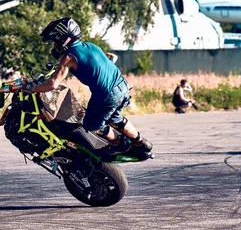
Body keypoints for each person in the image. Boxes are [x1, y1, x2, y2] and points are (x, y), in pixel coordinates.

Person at [30, 17, 153, 159]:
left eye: (55, 41)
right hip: (122, 86)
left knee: (91, 125)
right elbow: (104, 60)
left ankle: (119, 144)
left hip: (107, 95)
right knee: (115, 119)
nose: (54, 46)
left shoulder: (69, 57)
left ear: (64, 38)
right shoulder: (90, 45)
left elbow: (53, 83)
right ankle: (142, 144)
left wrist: (32, 89)